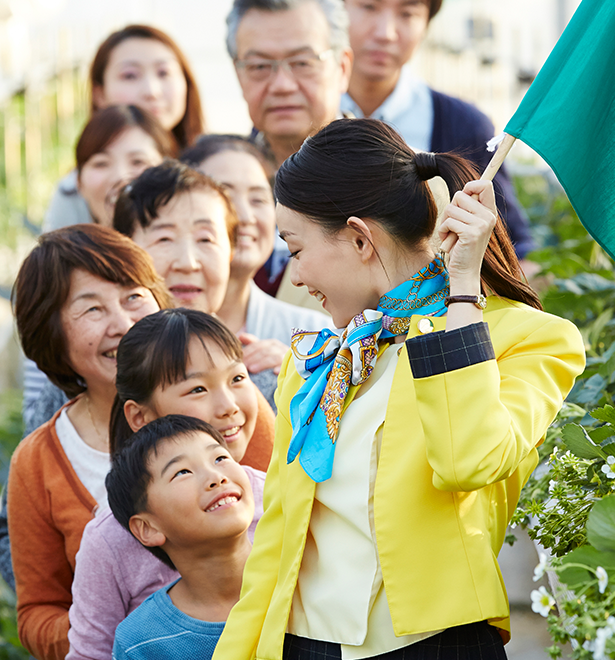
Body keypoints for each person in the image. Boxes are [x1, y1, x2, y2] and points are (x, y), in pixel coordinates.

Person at [213, 118, 585, 659]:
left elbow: (469, 460)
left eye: (295, 250)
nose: (295, 277)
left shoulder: (529, 338)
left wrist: (463, 289)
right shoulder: (321, 356)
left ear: (360, 238)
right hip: (302, 646)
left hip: (433, 646)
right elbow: (277, 538)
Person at [3, 225, 275, 660]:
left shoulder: (234, 417)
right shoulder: (40, 464)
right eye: (92, 309)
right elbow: (38, 611)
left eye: (134, 296)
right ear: (50, 332)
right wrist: (135, 632)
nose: (125, 323)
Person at [68, 309, 271, 660]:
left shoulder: (278, 496)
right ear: (140, 416)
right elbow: (91, 654)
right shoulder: (109, 541)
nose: (228, 406)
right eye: (197, 388)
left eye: (237, 379)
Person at [113, 160, 324, 406]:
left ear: (231, 251)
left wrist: (299, 378)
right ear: (126, 251)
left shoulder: (276, 369)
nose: (188, 262)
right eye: (164, 239)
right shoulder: (103, 364)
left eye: (205, 239)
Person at [341, 0, 536, 260]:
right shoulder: (292, 112)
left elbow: (512, 248)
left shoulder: (464, 126)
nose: (385, 33)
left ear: (427, 23)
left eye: (407, 13)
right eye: (368, 7)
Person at [21, 105, 174, 424]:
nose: (121, 176)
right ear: (77, 180)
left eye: (138, 161)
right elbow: (35, 412)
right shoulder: (55, 272)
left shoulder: (186, 266)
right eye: (101, 163)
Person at [106, 415, 257, 660]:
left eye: (220, 458)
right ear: (147, 527)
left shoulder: (304, 578)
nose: (216, 478)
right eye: (182, 472)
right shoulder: (140, 640)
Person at [179, 135, 329, 357]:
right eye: (225, 196)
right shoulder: (142, 327)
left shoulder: (317, 335)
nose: (245, 216)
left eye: (258, 200)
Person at [44, 25, 204, 231]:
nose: (151, 91)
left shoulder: (217, 168)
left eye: (164, 73)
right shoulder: (76, 191)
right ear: (99, 93)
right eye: (130, 75)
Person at [226, 0, 352, 168]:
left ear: (342, 69)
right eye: (260, 66)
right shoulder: (221, 182)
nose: (282, 86)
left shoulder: (387, 174)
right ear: (239, 75)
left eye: (302, 63)